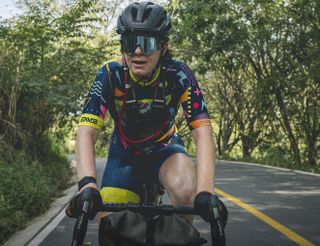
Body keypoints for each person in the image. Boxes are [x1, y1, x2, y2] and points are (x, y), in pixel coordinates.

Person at [66, 1, 227, 243]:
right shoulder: (110, 75)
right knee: (110, 221)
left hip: (166, 149)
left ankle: (178, 237)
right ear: (122, 48)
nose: (138, 52)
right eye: (131, 43)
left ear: (163, 47)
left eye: (148, 43)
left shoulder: (178, 73)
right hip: (124, 153)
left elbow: (202, 131)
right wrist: (87, 184)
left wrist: (205, 192)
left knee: (185, 191)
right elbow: (86, 131)